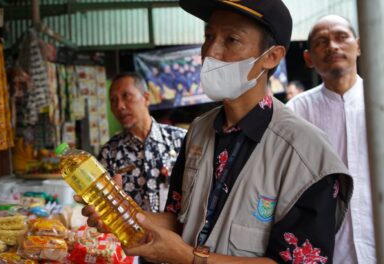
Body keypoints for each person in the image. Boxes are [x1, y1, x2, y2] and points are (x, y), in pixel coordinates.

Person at [77, 1, 353, 263]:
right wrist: (127, 214)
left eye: (231, 40)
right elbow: (180, 218)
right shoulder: (199, 131)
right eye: (209, 36)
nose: (211, 51)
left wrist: (188, 258)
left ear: (271, 57)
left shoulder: (306, 154)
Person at [287, 15, 375, 264]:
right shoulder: (295, 114)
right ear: (308, 58)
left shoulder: (379, 101)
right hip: (328, 251)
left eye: (341, 37)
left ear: (358, 46)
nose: (333, 46)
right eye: (322, 41)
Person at [98, 72, 186, 213]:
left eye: (126, 96)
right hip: (130, 233)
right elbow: (103, 202)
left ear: (146, 98)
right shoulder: (109, 152)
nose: (119, 106)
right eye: (113, 100)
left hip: (175, 233)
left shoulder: (181, 140)